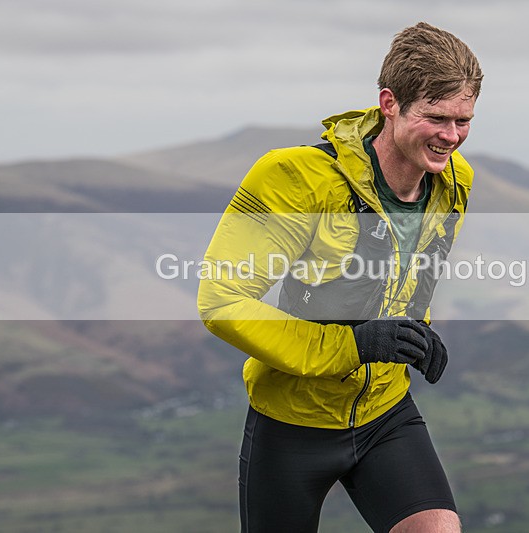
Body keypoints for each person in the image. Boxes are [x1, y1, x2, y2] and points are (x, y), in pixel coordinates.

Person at [198, 21, 483, 533]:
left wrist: (413, 331)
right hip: (292, 423)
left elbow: (402, 269)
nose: (452, 137)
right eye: (436, 118)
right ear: (389, 103)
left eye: (463, 120)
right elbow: (222, 300)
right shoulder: (296, 178)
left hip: (386, 412)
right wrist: (353, 347)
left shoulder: (452, 180)